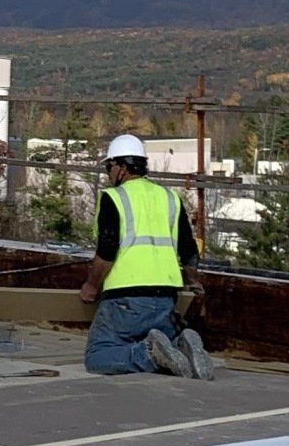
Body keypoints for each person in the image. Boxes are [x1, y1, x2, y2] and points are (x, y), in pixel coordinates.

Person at [77, 136, 213, 379]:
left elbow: (107, 251)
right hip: (165, 301)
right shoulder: (170, 197)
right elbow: (189, 249)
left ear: (122, 168)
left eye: (109, 167)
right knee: (161, 339)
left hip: (126, 299)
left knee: (97, 356)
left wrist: (91, 286)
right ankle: (181, 345)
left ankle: (149, 355)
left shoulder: (113, 198)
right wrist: (192, 281)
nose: (109, 173)